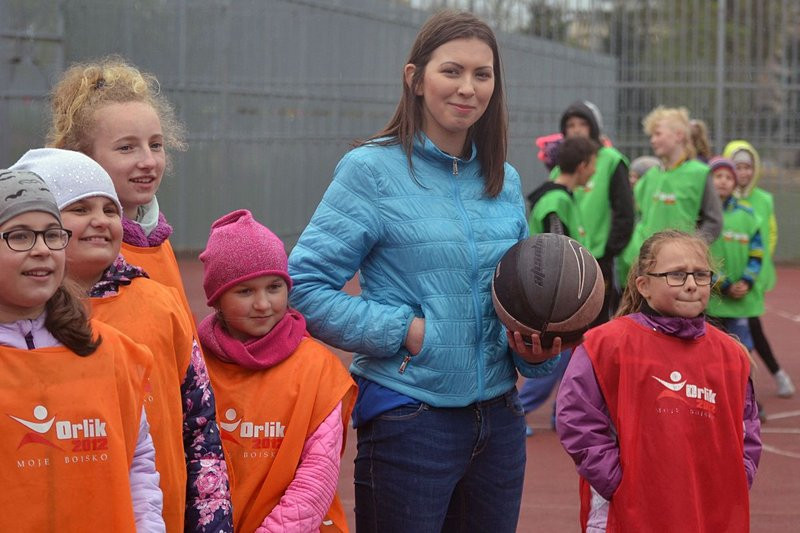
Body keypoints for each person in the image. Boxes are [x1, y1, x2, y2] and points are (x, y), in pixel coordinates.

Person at [287, 11, 564, 532]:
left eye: (482, 75)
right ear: (415, 79)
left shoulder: (503, 179)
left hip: (501, 419)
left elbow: (516, 295)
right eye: (451, 71)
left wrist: (534, 353)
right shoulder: (371, 171)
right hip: (411, 417)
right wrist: (409, 332)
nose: (468, 88)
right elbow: (302, 289)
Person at [11, 148, 233, 532]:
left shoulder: (148, 314)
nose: (99, 220)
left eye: (110, 209)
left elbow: (197, 427)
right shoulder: (24, 337)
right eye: (79, 209)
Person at [556, 229, 761, 532]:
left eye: (701, 275)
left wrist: (735, 479)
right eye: (676, 275)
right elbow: (577, 418)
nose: (691, 285)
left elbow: (747, 431)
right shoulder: (606, 344)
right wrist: (617, 482)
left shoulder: (732, 355)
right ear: (644, 285)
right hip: (628, 512)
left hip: (709, 511)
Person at [0, 169, 163, 531]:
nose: (42, 249)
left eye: (52, 235)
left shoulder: (111, 351)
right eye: (20, 236)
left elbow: (139, 464)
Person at [198, 209, 357, 532]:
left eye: (274, 287)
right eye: (245, 291)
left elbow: (317, 476)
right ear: (216, 300)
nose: (263, 304)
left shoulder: (317, 368)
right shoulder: (195, 363)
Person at [46, 56, 195, 323]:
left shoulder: (155, 234)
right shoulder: (77, 247)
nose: (148, 161)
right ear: (80, 156)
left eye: (156, 145)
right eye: (126, 147)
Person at [520, 136, 598, 433]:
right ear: (582, 165)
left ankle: (562, 414)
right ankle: (520, 409)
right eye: (593, 164)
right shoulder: (556, 200)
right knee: (555, 355)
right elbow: (559, 248)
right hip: (557, 296)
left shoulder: (563, 196)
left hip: (563, 294)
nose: (594, 170)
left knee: (572, 358)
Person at [549, 101, 634, 325]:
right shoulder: (560, 168)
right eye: (570, 125)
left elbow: (625, 211)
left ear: (594, 128)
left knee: (597, 322)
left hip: (598, 258)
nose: (576, 129)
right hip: (567, 260)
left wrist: (608, 251)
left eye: (582, 124)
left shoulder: (611, 160)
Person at [723, 140, 795, 397]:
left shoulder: (763, 199)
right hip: (725, 282)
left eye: (748, 167)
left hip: (751, 277)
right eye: (738, 167)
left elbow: (769, 234)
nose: (743, 173)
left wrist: (756, 271)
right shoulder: (720, 200)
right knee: (748, 328)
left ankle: (756, 386)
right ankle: (774, 375)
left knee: (749, 328)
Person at [620, 106, 723, 284]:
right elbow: (637, 217)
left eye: (658, 134)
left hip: (679, 271)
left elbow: (714, 221)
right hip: (643, 266)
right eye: (651, 136)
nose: (652, 140)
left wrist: (691, 248)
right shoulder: (650, 176)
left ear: (678, 135)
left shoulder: (699, 173)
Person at [705, 156, 764, 354]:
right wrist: (724, 284)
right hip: (711, 299)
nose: (723, 181)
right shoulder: (701, 216)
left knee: (741, 351)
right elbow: (699, 258)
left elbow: (757, 253)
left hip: (740, 298)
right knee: (710, 350)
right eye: (718, 176)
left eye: (729, 177)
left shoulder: (747, 214)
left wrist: (746, 281)